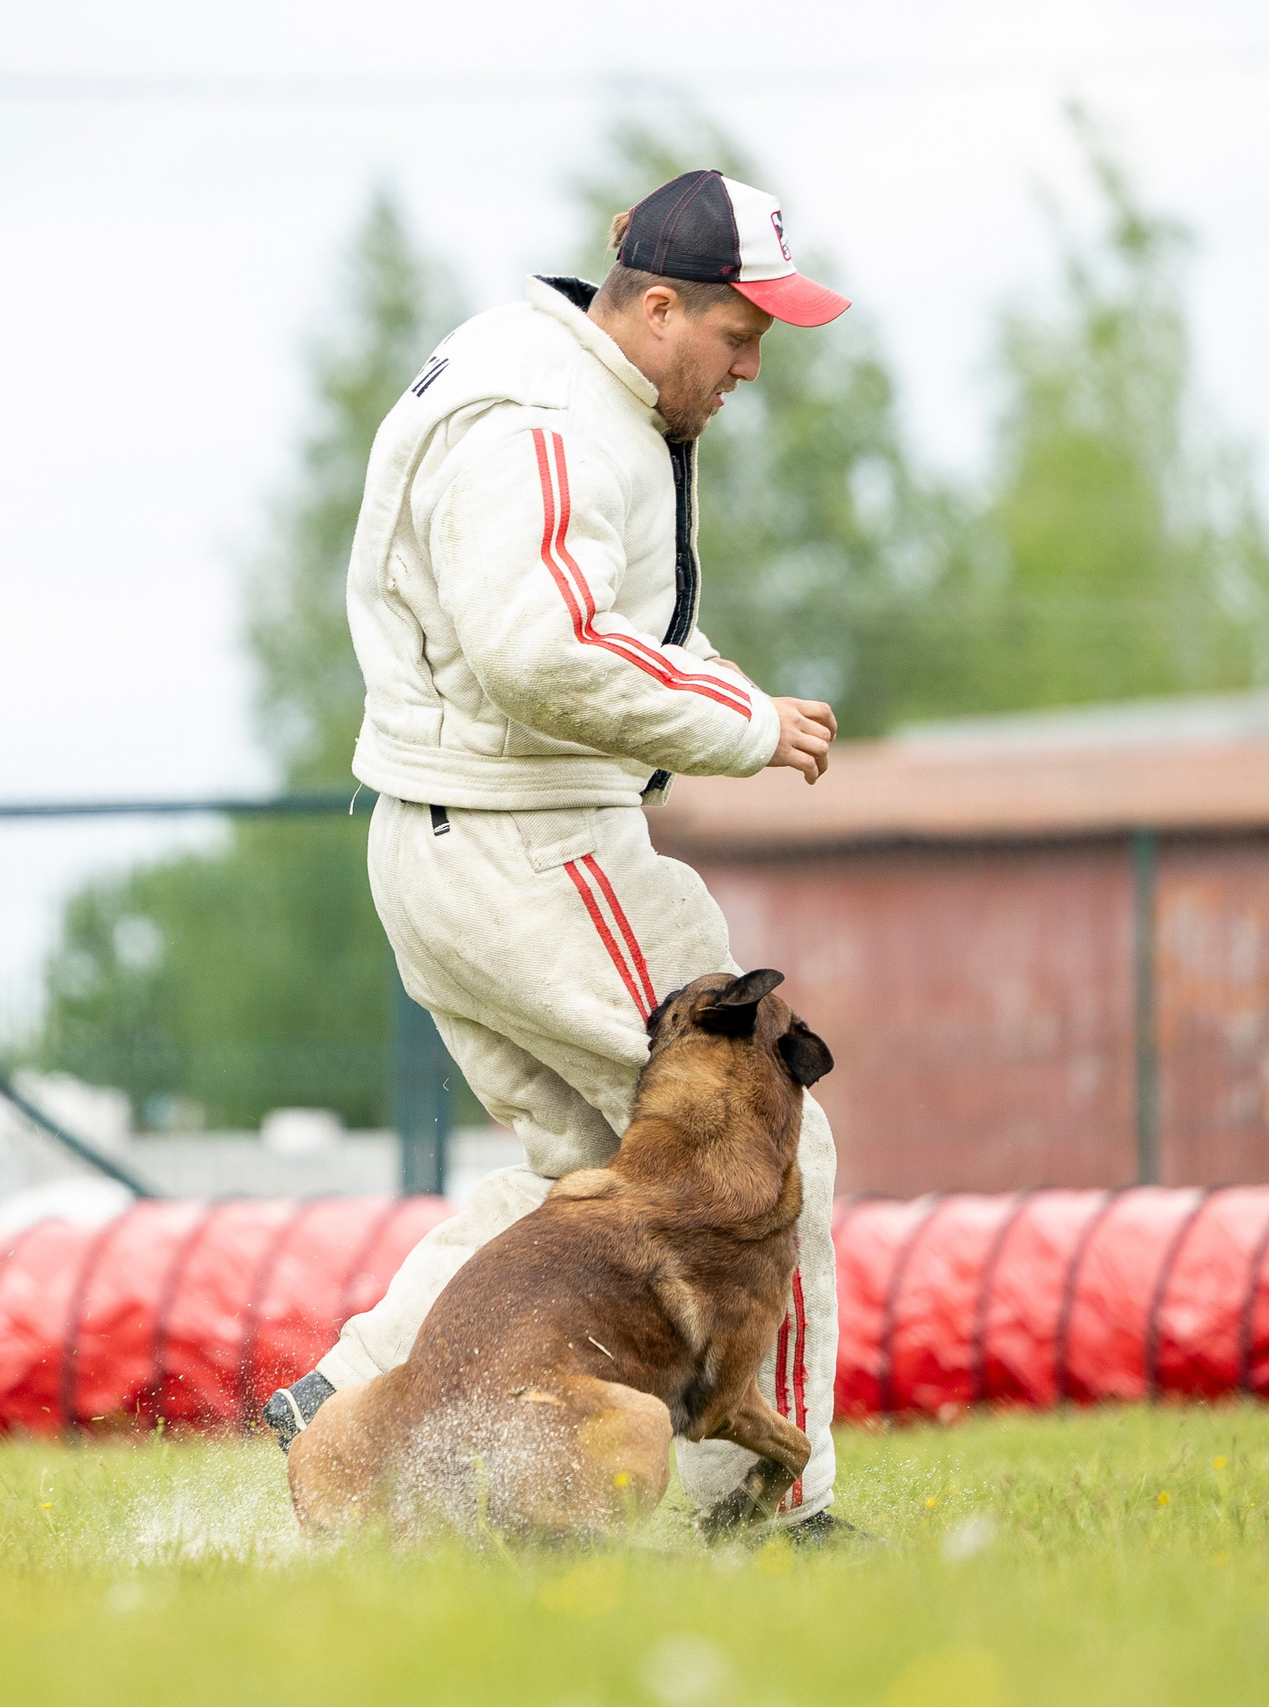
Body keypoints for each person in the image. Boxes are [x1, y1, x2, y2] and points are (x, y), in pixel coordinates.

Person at [268, 169, 860, 1544]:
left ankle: (355, 1393)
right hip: (532, 843)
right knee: (768, 1143)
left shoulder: (555, 378)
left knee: (593, 1171)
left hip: (452, 841)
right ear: (657, 306)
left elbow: (606, 612)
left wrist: (725, 688)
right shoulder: (543, 419)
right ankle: (778, 1516)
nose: (752, 366)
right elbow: (538, 650)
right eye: (739, 332)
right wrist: (742, 723)